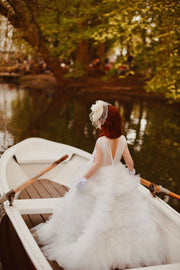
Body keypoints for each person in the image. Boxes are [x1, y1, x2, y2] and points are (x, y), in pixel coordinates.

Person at [32, 100, 166, 270]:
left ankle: (78, 238)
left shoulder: (101, 142)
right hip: (117, 176)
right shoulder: (123, 139)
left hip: (100, 177)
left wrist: (83, 179)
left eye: (99, 120)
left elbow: (96, 164)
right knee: (117, 213)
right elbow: (130, 162)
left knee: (86, 205)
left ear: (105, 123)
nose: (97, 122)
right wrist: (130, 174)